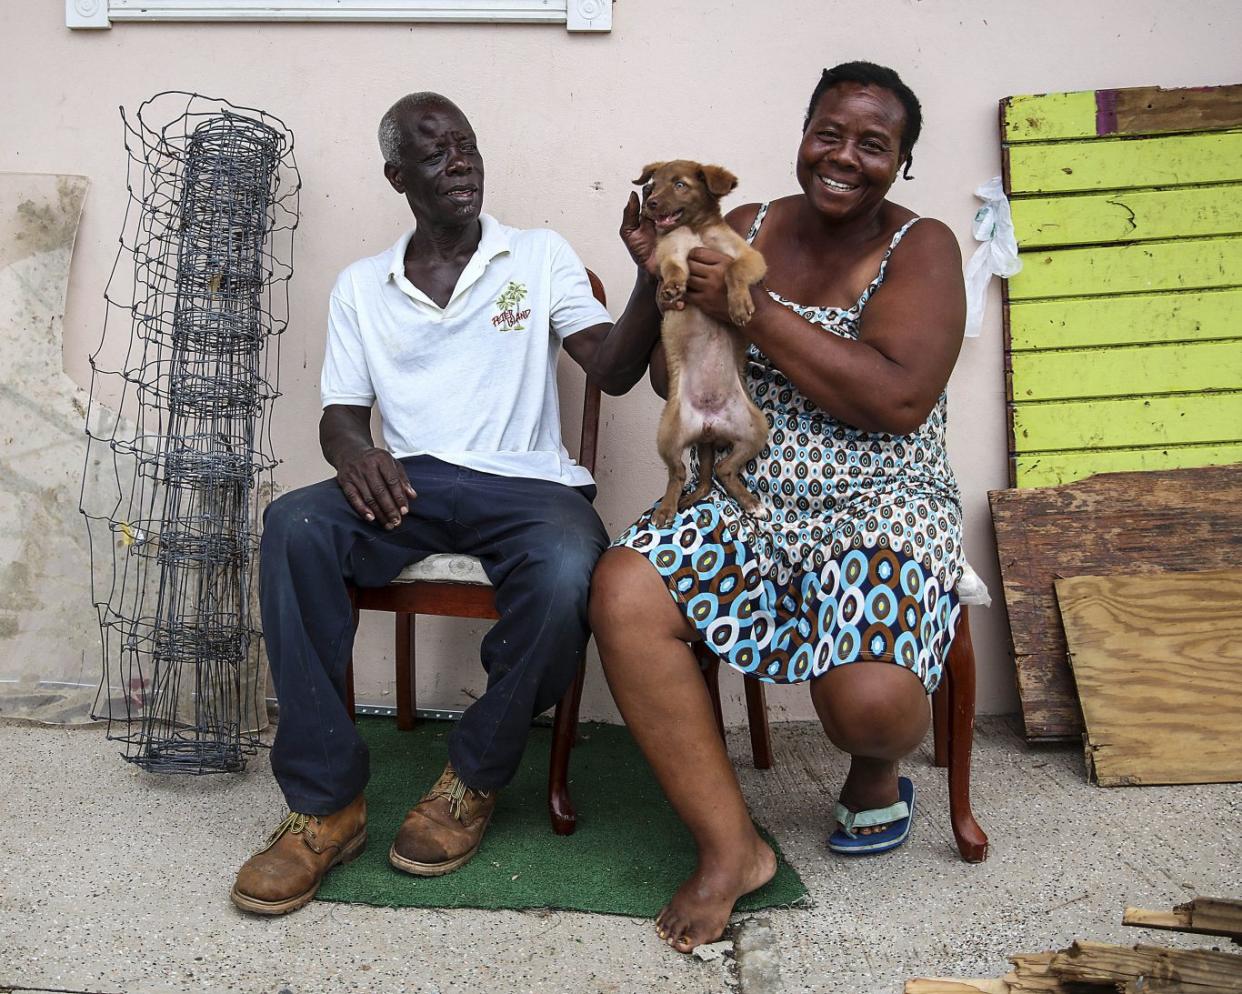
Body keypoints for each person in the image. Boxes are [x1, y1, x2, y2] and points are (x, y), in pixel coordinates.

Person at [230, 92, 663, 915]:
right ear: (399, 176)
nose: (459, 161)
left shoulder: (537, 257)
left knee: (574, 566)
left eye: (466, 145)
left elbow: (611, 368)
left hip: (527, 484)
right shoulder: (365, 285)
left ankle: (469, 778)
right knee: (293, 525)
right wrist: (356, 452)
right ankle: (326, 806)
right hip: (413, 484)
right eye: (435, 153)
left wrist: (647, 278)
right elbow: (341, 413)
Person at [590, 61, 968, 952]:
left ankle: (877, 772)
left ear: (902, 161)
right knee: (623, 590)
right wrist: (658, 272)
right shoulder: (740, 223)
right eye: (828, 133)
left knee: (867, 708)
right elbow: (666, 370)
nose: (844, 157)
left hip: (882, 497)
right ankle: (733, 851)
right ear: (802, 134)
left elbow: (897, 399)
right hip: (746, 482)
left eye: (873, 144)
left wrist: (750, 309)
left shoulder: (926, 246)